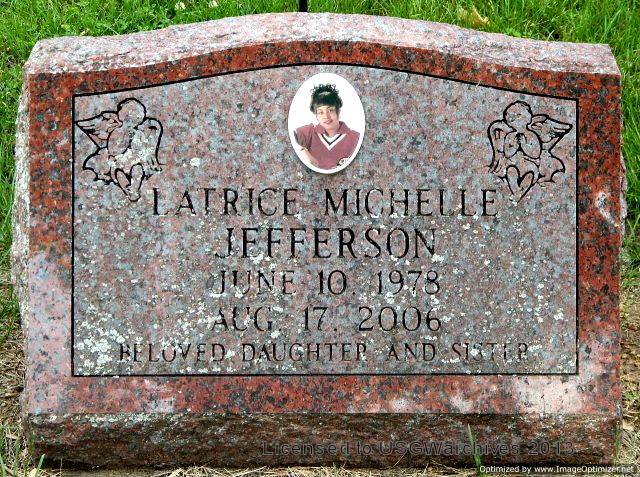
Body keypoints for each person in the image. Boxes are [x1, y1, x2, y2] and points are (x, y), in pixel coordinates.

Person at [294, 84, 360, 170]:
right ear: (316, 115)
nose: (326, 116)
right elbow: (289, 137)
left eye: (330, 110)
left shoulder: (355, 137)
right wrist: (303, 151)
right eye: (320, 112)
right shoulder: (309, 132)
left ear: (338, 111)